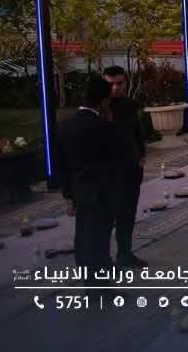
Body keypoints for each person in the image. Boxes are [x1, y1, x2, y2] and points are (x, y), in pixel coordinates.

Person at [60, 78, 127, 273]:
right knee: (99, 237)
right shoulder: (101, 126)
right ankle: (98, 280)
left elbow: (62, 164)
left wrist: (68, 194)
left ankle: (89, 276)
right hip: (102, 190)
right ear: (104, 100)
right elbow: (119, 152)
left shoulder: (67, 125)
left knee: (83, 234)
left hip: (80, 189)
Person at [102, 65, 147, 267]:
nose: (115, 88)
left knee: (127, 214)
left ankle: (125, 253)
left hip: (130, 168)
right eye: (110, 84)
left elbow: (137, 132)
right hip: (109, 171)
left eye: (119, 84)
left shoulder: (129, 105)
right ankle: (103, 260)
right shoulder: (99, 108)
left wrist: (141, 155)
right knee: (106, 217)